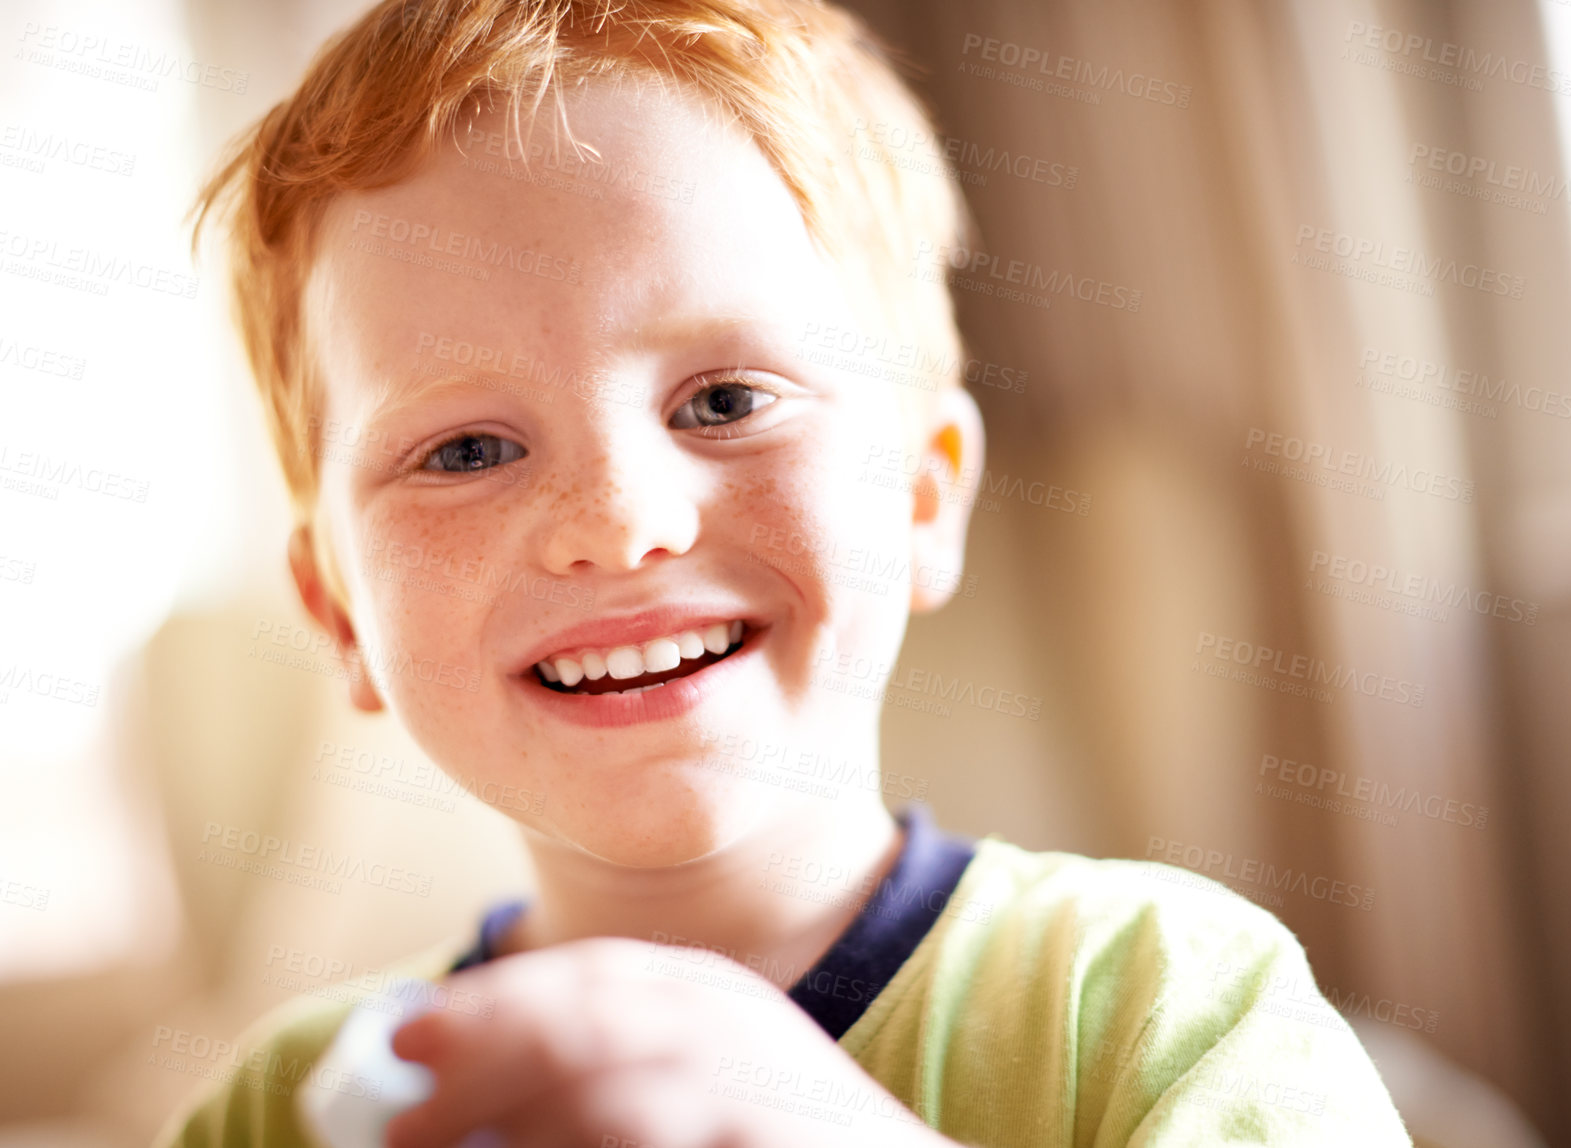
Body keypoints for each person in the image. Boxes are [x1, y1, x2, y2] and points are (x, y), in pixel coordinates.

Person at [157, 1, 1410, 1144]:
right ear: (336, 611)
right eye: (466, 447)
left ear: (922, 497)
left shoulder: (1162, 998)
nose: (618, 523)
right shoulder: (282, 1110)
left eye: (725, 399)